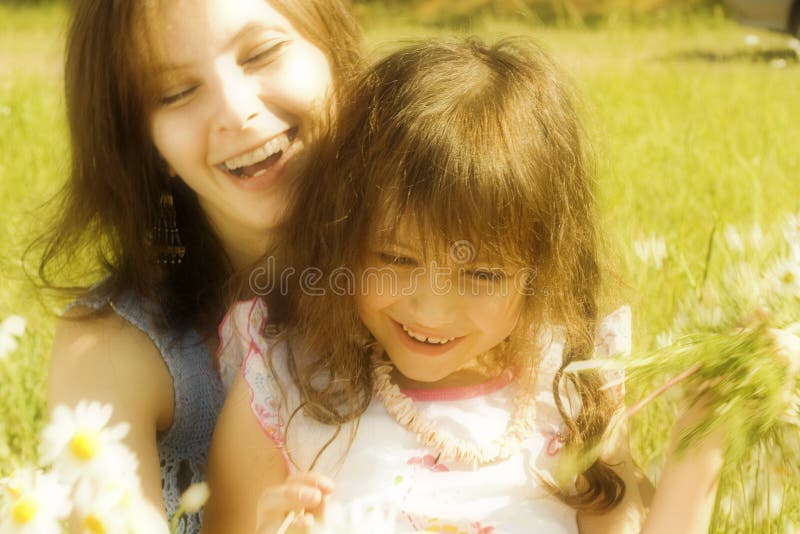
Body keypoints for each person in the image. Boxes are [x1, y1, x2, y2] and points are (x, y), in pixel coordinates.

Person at [204, 38, 728, 533]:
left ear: (542, 270)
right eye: (396, 257)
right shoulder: (288, 388)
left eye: (482, 275)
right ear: (344, 235)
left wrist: (702, 442)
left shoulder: (571, 386)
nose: (431, 310)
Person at [36, 0, 361, 531]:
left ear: (332, 52)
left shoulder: (463, 263)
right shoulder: (113, 348)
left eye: (261, 53)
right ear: (147, 144)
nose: (237, 112)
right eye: (176, 93)